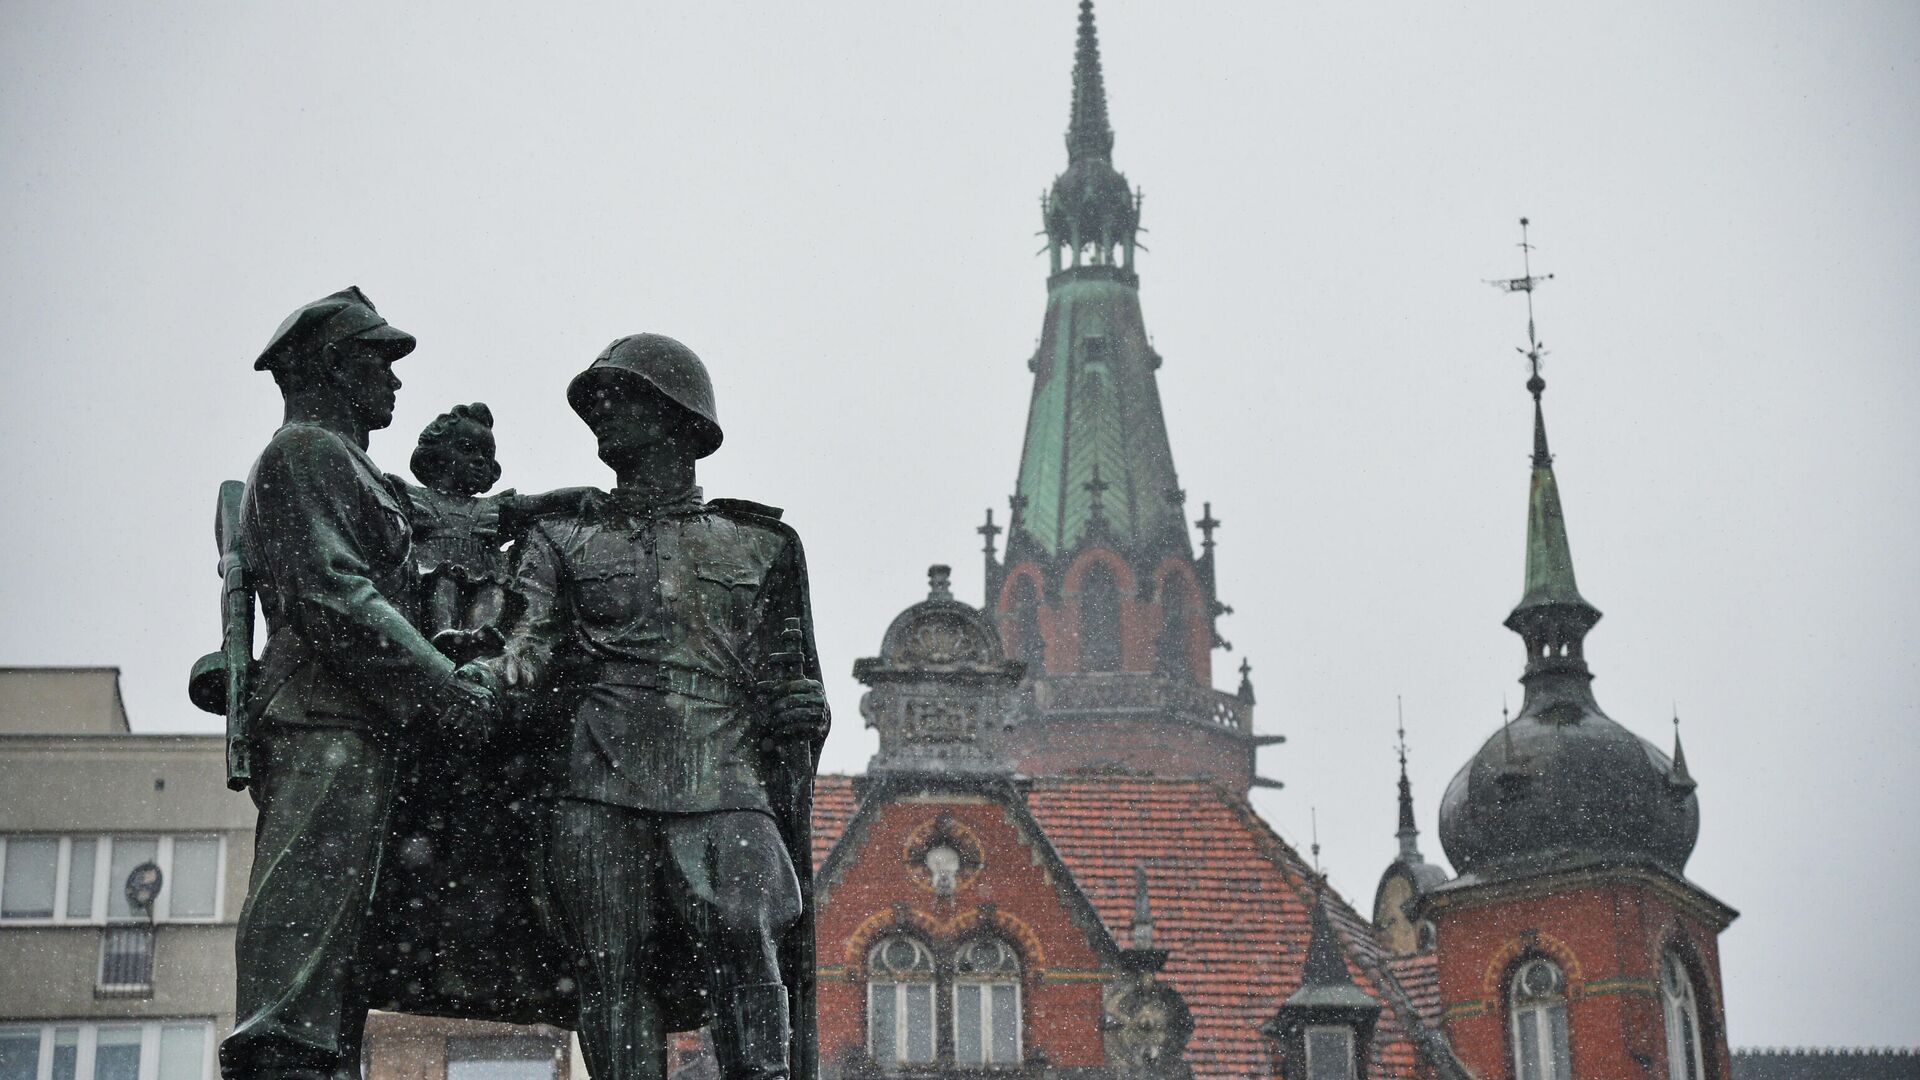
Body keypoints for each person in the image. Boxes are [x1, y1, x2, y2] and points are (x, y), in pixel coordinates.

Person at [491, 333, 828, 1080]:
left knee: (749, 928)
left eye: (620, 399)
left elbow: (796, 688)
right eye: (595, 403)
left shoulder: (762, 545)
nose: (599, 418)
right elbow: (528, 645)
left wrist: (806, 714)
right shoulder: (560, 537)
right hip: (598, 782)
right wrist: (490, 674)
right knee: (612, 972)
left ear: (678, 419)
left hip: (725, 778)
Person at [222, 287, 501, 1080]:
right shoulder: (306, 455)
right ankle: (283, 1059)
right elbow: (338, 598)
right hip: (325, 723)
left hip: (362, 725)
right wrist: (443, 681)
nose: (397, 384)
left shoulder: (346, 464)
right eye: (381, 362)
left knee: (341, 944)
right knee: (301, 937)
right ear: (333, 368)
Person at [405, 402, 510, 662]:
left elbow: (539, 504)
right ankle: (444, 631)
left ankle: (482, 636)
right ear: (435, 455)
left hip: (480, 569)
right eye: (467, 449)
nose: (479, 460)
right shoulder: (415, 498)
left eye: (486, 455)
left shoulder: (491, 507)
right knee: (444, 578)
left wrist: (582, 495)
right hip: (430, 570)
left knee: (494, 586)